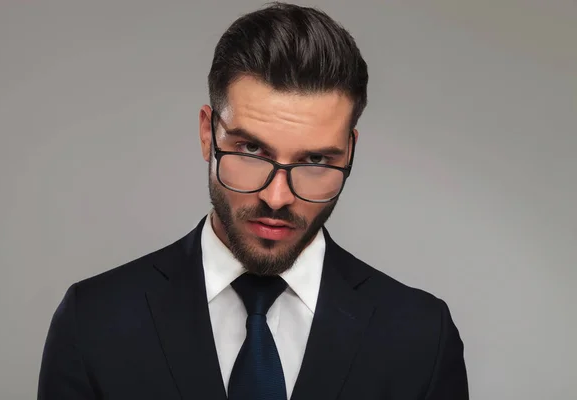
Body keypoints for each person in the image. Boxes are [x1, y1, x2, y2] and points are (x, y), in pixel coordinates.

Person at [38, 2, 469, 399]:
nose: (277, 197)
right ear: (208, 133)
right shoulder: (93, 322)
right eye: (251, 151)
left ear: (350, 152)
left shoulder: (421, 337)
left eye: (316, 159)